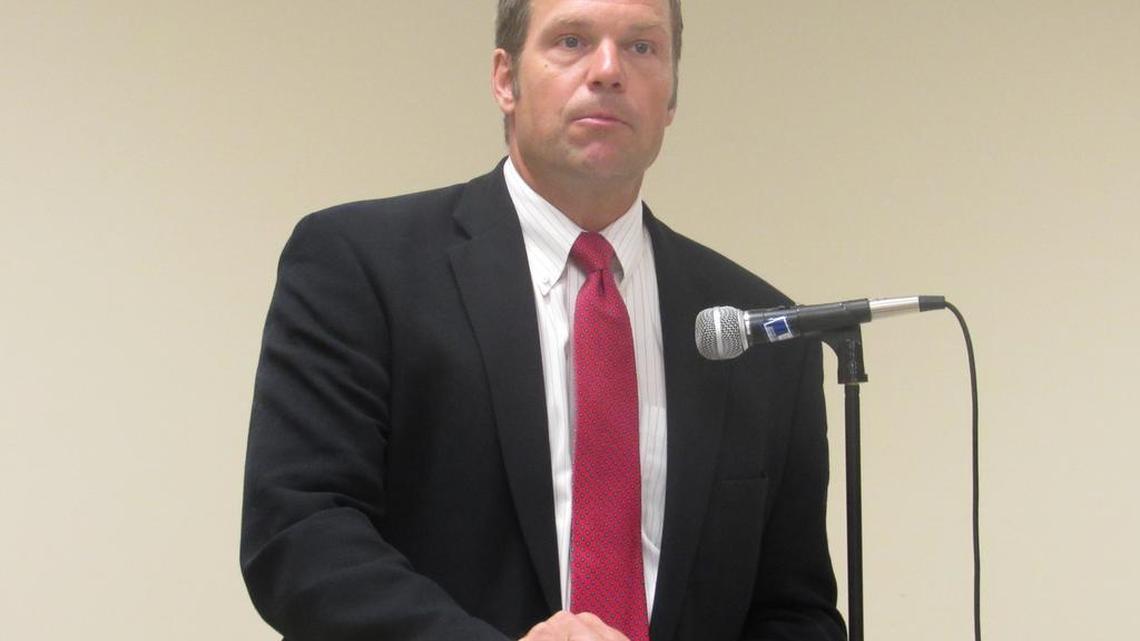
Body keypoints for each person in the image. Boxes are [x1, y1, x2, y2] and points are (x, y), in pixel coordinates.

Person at [241, 1, 847, 640]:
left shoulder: (758, 331)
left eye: (642, 47)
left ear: (672, 96)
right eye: (572, 41)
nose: (609, 70)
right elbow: (300, 534)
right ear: (505, 79)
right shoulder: (362, 266)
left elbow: (793, 610)